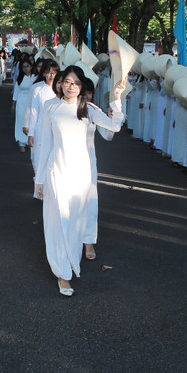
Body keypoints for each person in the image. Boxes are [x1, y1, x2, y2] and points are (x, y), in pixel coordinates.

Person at [35, 66, 125, 296]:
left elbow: (114, 126)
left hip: (82, 176)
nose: (71, 86)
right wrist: (40, 178)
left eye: (75, 83)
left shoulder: (88, 109)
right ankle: (63, 273)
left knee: (74, 222)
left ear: (81, 86)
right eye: (67, 81)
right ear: (60, 83)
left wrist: (116, 98)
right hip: (56, 172)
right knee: (57, 223)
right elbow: (45, 144)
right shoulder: (50, 107)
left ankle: (73, 261)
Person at [81, 77, 122, 260]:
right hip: (62, 163)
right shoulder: (59, 108)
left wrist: (116, 101)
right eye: (84, 92)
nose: (86, 96)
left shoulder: (92, 110)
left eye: (89, 92)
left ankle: (88, 241)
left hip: (86, 163)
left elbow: (109, 133)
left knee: (88, 202)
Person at [12, 58, 35, 152]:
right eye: (23, 67)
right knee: (20, 120)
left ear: (31, 67)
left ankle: (29, 140)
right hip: (21, 101)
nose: (25, 69)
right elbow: (16, 92)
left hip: (31, 101)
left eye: (27, 66)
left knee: (30, 120)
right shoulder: (20, 78)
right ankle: (21, 142)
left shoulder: (34, 78)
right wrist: (13, 104)